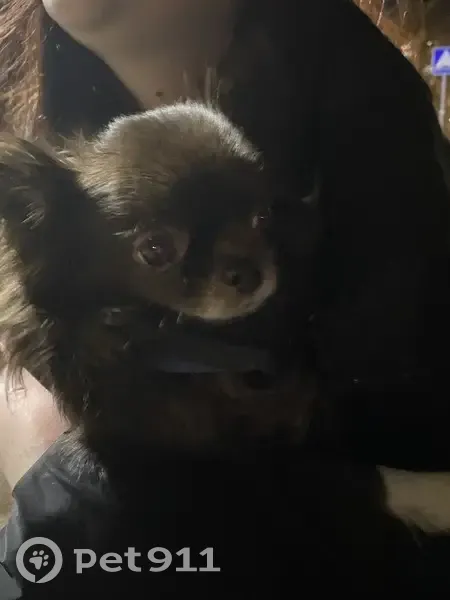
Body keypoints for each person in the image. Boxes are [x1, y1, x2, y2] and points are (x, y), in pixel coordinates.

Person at [0, 0, 449, 595]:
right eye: (159, 249)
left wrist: (63, 488)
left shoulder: (349, 97)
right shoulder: (37, 93)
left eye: (259, 220)